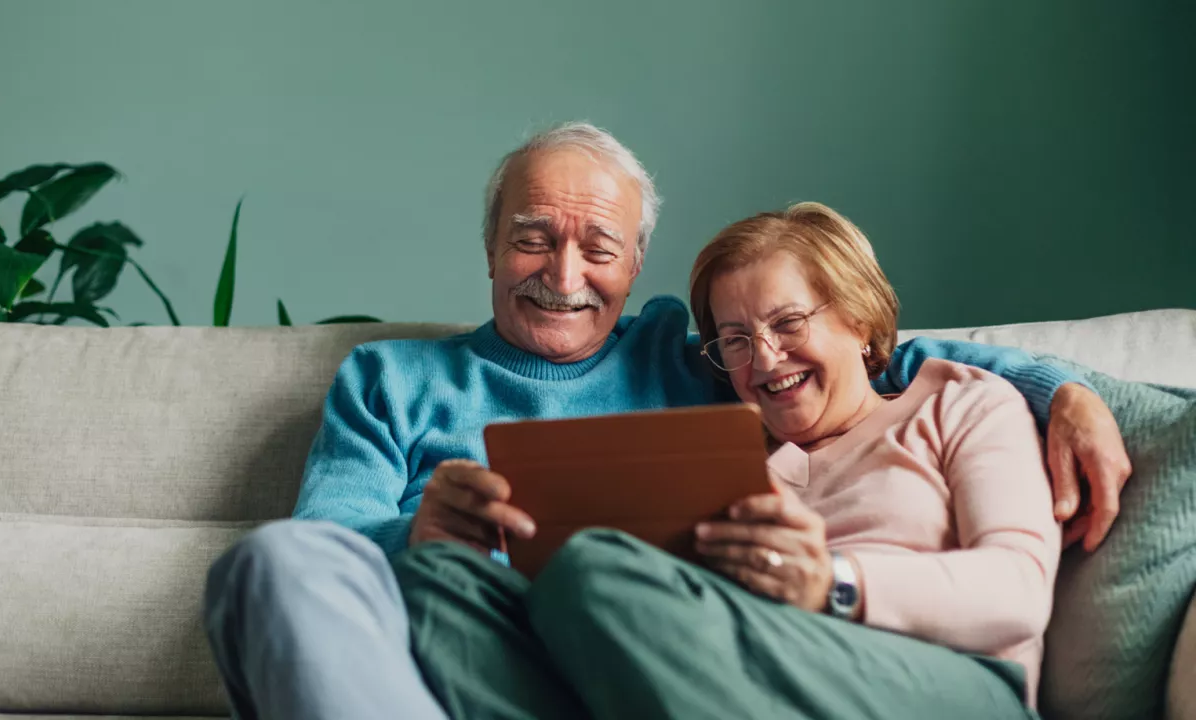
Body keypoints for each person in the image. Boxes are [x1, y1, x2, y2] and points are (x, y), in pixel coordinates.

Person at [203, 123, 1129, 720]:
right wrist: (416, 534)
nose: (563, 276)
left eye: (597, 248)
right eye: (532, 238)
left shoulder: (685, 359)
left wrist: (1062, 387)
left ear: (634, 267)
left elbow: (870, 357)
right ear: (490, 246)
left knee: (595, 571)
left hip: (700, 640)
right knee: (321, 567)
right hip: (465, 647)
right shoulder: (390, 377)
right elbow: (323, 553)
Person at [392, 202, 1059, 718]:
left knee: (597, 568)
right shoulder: (730, 457)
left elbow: (1020, 589)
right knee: (441, 580)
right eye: (734, 340)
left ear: (859, 318)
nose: (764, 359)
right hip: (743, 682)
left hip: (951, 682)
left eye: (789, 324)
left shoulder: (959, 405)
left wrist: (833, 582)